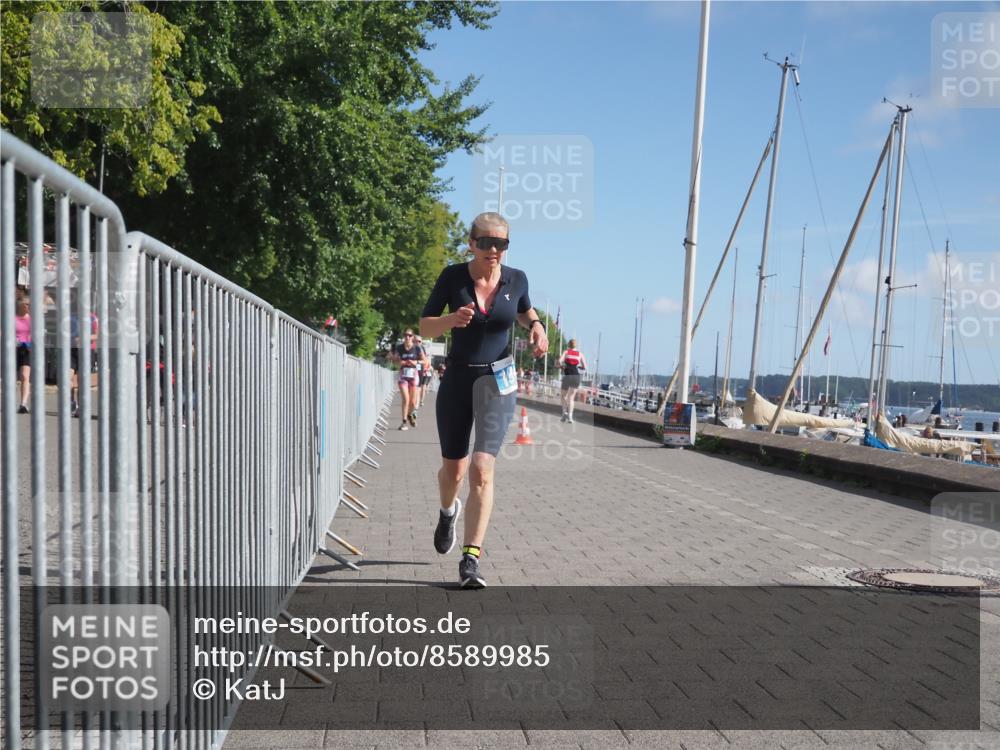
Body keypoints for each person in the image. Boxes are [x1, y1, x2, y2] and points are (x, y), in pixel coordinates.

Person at [420, 212, 548, 588]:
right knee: (454, 471)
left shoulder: (517, 278)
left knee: (481, 468)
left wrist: (538, 329)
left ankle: (470, 560)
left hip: (498, 380)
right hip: (459, 377)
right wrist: (450, 321)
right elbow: (425, 323)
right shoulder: (452, 276)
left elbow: (525, 312)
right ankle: (447, 512)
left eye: (502, 244)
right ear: (472, 242)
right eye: (487, 242)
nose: (494, 250)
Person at [392, 329, 423, 430]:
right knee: (406, 399)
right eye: (405, 335)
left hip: (414, 376)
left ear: (412, 337)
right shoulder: (400, 348)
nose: (407, 337)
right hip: (403, 376)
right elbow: (395, 360)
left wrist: (416, 362)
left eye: (409, 335)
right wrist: (400, 362)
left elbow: (424, 361)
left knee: (413, 402)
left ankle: (410, 415)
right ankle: (404, 422)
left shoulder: (417, 348)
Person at [558, 339, 587, 423]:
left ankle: (564, 413)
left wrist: (562, 367)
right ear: (576, 345)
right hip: (575, 376)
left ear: (569, 345)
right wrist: (579, 367)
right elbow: (584, 366)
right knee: (571, 398)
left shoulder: (566, 352)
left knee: (563, 396)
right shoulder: (580, 354)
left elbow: (559, 361)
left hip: (567, 376)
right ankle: (570, 417)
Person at [15, 295, 31, 413]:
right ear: (20, 305)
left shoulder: (32, 319)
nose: (28, 306)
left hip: (26, 349)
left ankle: (23, 404)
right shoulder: (12, 318)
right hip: (12, 349)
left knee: (25, 376)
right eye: (26, 304)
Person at [415, 336, 433, 408]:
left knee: (422, 387)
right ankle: (414, 400)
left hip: (424, 372)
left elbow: (425, 360)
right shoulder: (410, 348)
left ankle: (420, 401)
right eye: (416, 341)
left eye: (419, 341)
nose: (417, 343)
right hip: (414, 371)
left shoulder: (422, 349)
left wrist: (419, 362)